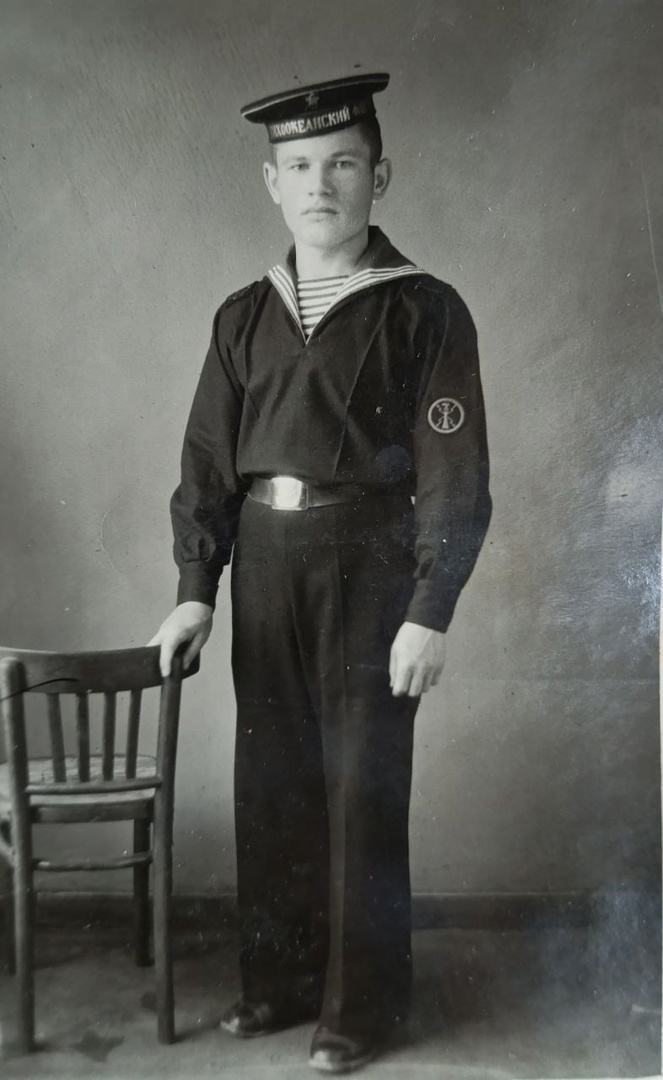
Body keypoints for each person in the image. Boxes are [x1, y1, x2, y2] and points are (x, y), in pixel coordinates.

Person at [150, 72, 491, 1075]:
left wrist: (430, 608)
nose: (320, 184)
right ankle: (282, 980)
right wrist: (194, 594)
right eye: (299, 166)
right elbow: (206, 465)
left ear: (378, 176)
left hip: (370, 566)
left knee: (359, 790)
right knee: (272, 780)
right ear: (272, 183)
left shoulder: (425, 308)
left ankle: (361, 1008)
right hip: (266, 563)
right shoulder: (242, 316)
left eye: (342, 163)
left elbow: (456, 474)